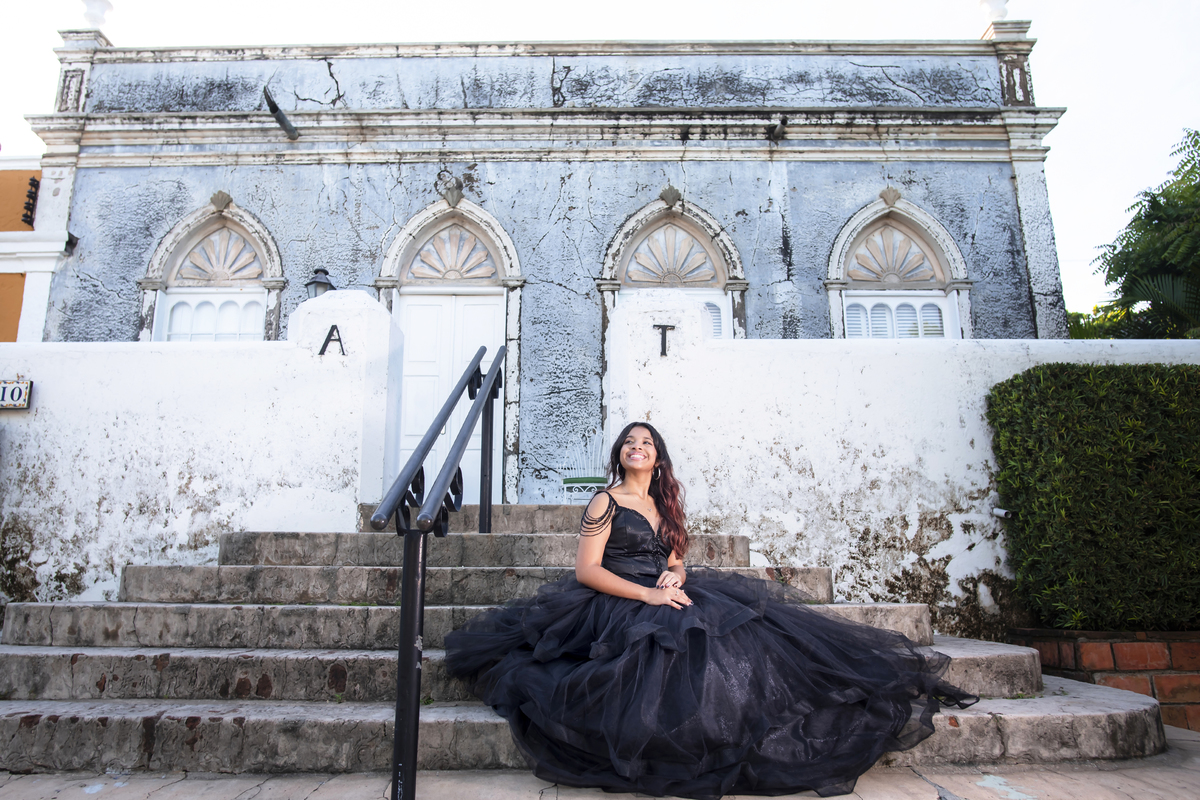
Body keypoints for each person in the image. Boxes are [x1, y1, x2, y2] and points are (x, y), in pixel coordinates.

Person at [445, 421, 977, 799]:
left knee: (741, 633)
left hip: (662, 588)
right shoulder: (604, 501)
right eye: (629, 442)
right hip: (614, 598)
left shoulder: (667, 505)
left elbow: (674, 560)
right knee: (671, 639)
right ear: (618, 455)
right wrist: (651, 595)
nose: (637, 447)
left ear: (658, 458)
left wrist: (673, 576)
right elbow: (587, 571)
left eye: (646, 443)